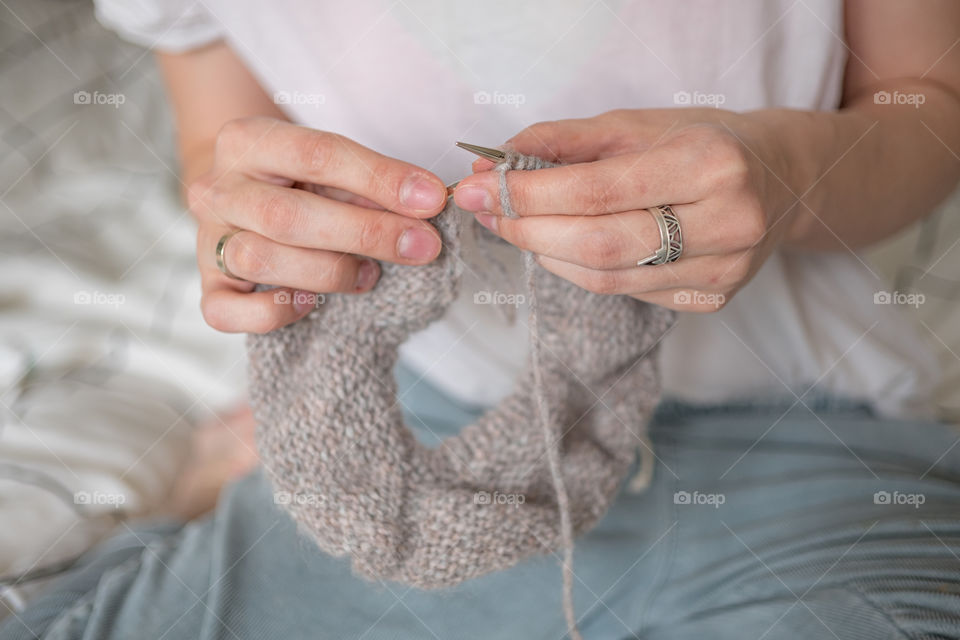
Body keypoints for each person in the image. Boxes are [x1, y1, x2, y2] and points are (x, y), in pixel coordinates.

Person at [3, 1, 960, 638]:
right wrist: (251, 227)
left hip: (803, 430)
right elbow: (218, 151)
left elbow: (929, 101)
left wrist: (789, 174)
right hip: (425, 427)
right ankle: (207, 494)